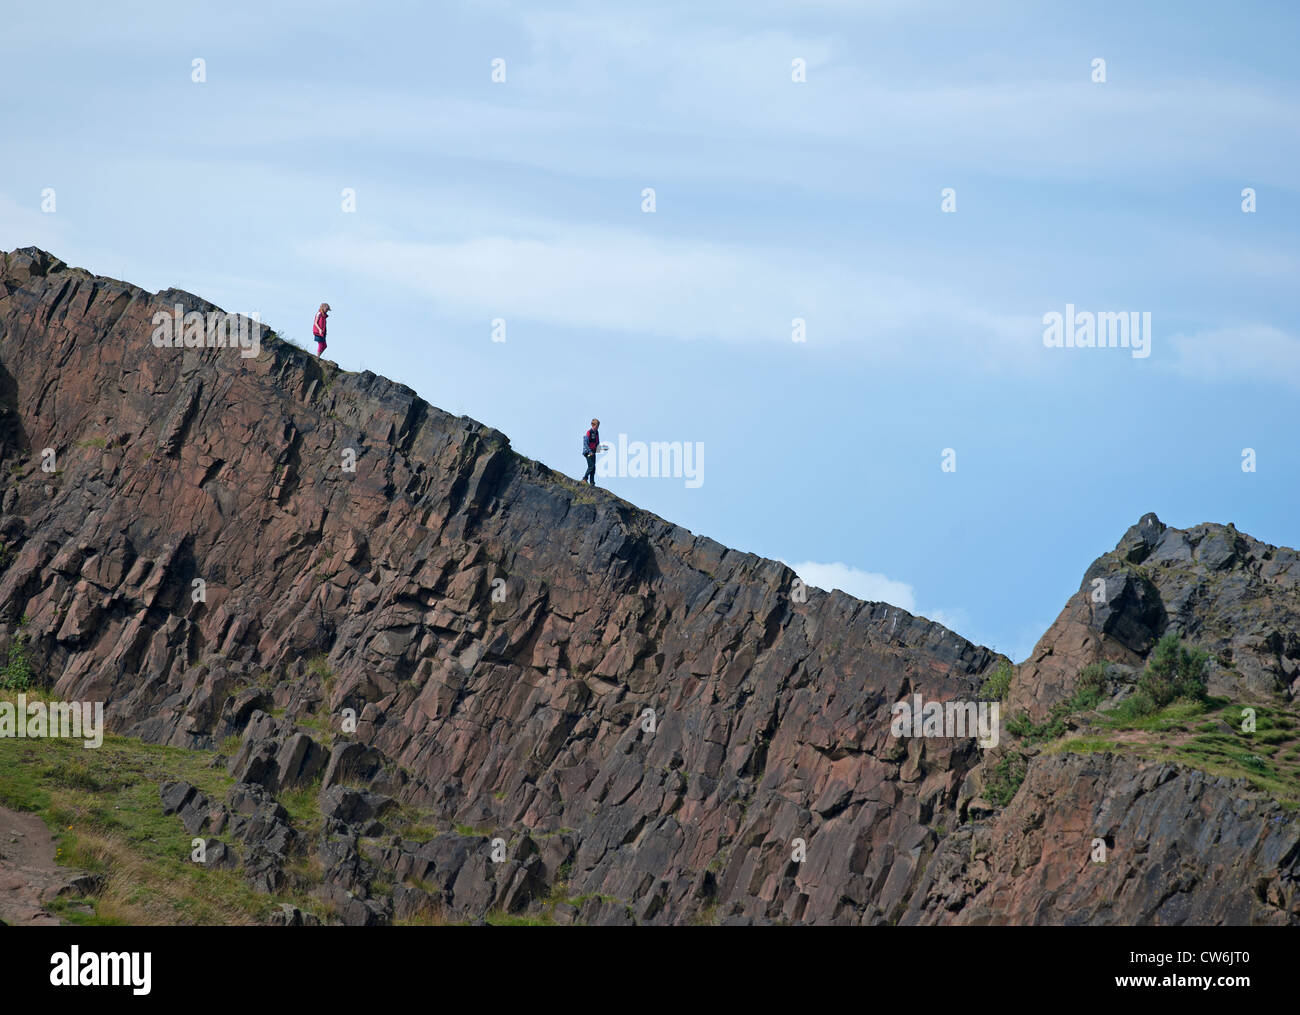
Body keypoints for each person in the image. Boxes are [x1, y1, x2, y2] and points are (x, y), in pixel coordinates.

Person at [582, 418, 600, 486]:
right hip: (588, 452)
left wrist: (597, 450)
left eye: (598, 426)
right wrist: (589, 451)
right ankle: (584, 478)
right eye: (596, 426)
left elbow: (597, 442)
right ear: (592, 425)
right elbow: (585, 443)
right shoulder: (589, 432)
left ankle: (592, 482)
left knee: (593, 468)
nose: (597, 427)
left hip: (593, 452)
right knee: (591, 466)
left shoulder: (597, 433)